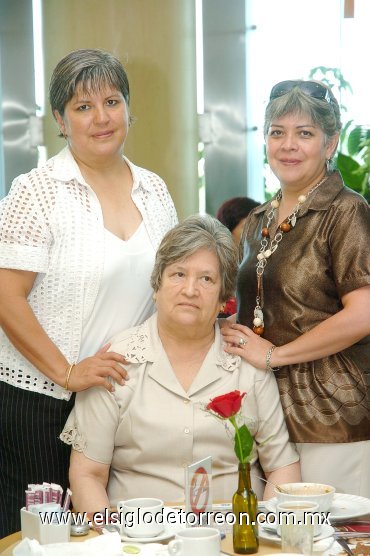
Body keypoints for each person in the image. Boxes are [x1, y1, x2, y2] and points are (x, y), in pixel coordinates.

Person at [0, 48, 177, 536]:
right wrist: (68, 372)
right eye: (82, 107)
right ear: (60, 119)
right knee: (44, 537)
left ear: (128, 107)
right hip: (41, 399)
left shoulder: (155, 190)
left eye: (112, 101)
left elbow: (170, 286)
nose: (101, 118)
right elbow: (6, 298)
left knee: (115, 534)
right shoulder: (36, 191)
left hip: (122, 396)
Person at [60, 215, 300, 513]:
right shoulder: (116, 361)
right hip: (138, 539)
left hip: (232, 538)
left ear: (225, 298)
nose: (190, 290)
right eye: (178, 274)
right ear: (156, 286)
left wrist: (262, 534)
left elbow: (282, 468)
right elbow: (88, 475)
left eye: (206, 279)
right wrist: (113, 540)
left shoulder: (245, 361)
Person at [221, 80, 370, 496]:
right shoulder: (257, 220)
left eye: (304, 133)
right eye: (277, 132)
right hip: (262, 408)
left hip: (329, 413)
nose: (288, 145)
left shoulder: (347, 211)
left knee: (327, 539)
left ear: (330, 143)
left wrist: (275, 355)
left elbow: (363, 314)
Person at [216, 197, 260, 318]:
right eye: (248, 226)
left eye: (259, 226)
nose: (256, 232)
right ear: (228, 228)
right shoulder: (215, 266)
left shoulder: (261, 264)